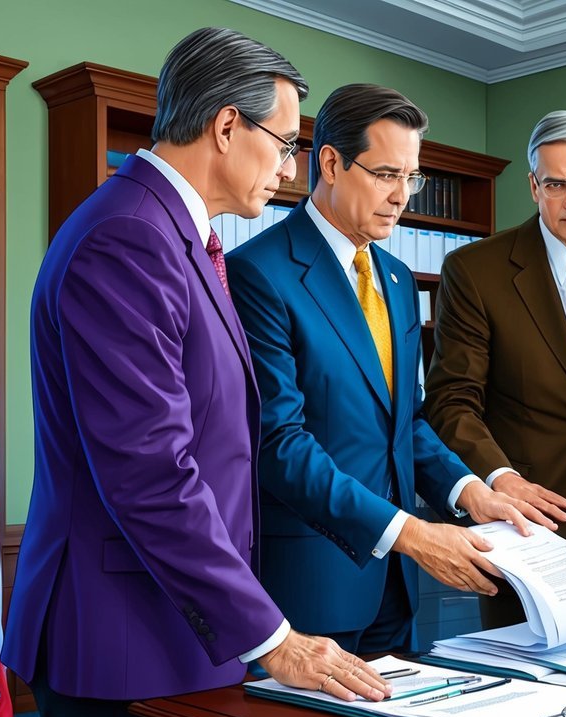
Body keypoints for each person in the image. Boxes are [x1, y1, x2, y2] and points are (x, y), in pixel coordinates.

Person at [2, 29, 390, 717]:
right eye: (283, 144)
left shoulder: (175, 233)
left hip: (176, 623)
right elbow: (149, 472)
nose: (288, 168)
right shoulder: (128, 238)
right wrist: (272, 638)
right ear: (224, 126)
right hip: (121, 636)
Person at [227, 84, 545, 655]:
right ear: (330, 162)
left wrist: (470, 490)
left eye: (411, 177)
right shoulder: (257, 273)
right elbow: (280, 444)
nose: (402, 196)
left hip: (398, 589)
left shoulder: (398, 279)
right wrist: (412, 534)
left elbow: (406, 421)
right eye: (385, 174)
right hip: (310, 583)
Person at [425, 110, 566, 628]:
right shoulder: (476, 270)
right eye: (556, 184)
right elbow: (450, 400)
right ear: (534, 186)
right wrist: (499, 478)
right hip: (528, 528)